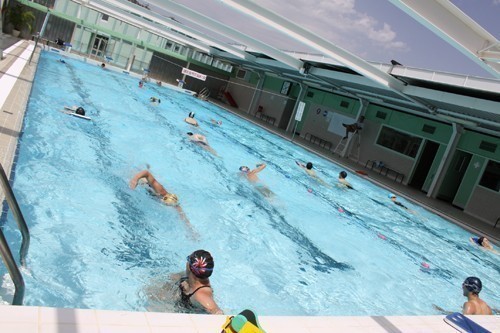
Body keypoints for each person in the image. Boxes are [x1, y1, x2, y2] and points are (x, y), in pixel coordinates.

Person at [129, 170, 195, 235]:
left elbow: (183, 216)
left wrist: (191, 231)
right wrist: (135, 179)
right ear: (164, 198)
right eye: (166, 204)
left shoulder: (174, 204)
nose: (166, 205)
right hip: (141, 178)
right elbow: (146, 172)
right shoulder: (160, 191)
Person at [176, 250, 223, 314]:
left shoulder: (201, 295)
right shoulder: (189, 277)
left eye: (188, 259)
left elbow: (217, 312)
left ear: (190, 267)